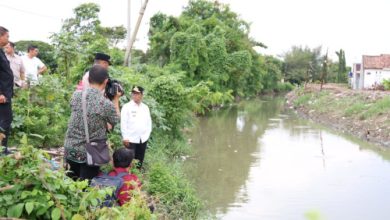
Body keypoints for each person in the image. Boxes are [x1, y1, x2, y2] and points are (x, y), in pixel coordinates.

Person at [64, 65, 121, 181]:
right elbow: (115, 120)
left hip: (71, 149)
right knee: (86, 190)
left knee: (70, 185)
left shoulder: (76, 96)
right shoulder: (105, 104)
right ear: (105, 81)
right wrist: (115, 99)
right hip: (90, 154)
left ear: (88, 79)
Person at [121, 86, 152, 169]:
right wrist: (125, 137)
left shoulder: (145, 108)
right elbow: (123, 123)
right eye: (133, 93)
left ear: (141, 95)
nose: (134, 95)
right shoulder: (127, 107)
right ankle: (129, 178)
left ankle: (137, 178)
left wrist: (147, 135)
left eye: (137, 93)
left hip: (143, 138)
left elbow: (149, 123)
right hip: (130, 139)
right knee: (130, 160)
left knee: (139, 160)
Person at [0, 26, 13, 155]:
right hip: (2, 95)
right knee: (6, 120)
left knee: (4, 120)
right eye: (7, 36)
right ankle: (2, 149)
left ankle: (2, 148)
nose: (8, 39)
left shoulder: (1, 51)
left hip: (6, 93)